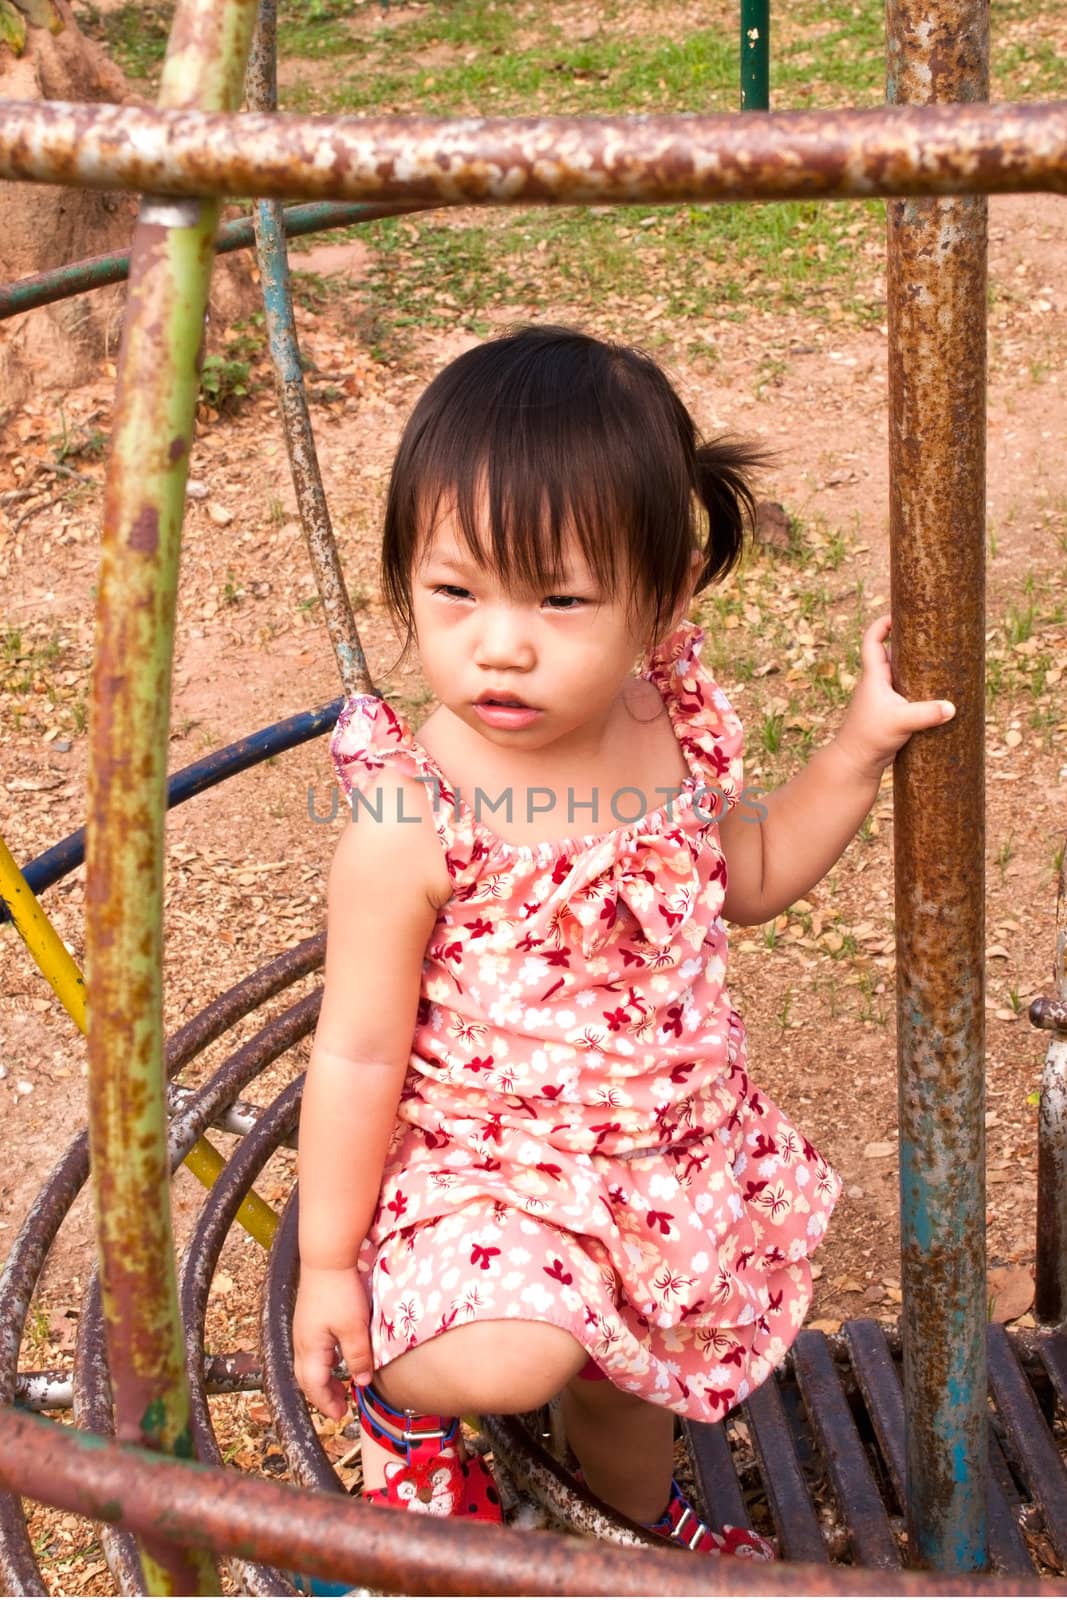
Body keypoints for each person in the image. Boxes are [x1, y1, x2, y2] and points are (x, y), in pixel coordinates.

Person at [292, 324, 954, 1554]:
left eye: (559, 597)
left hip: (658, 1158)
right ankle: (405, 1406)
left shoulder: (660, 711)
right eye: (455, 591)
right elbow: (358, 1051)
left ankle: (638, 1530)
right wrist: (329, 1262)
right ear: (405, 582)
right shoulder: (409, 814)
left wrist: (854, 751)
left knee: (633, 1387)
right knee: (516, 1348)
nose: (501, 642)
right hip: (485, 1168)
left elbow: (742, 872)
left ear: (666, 594)